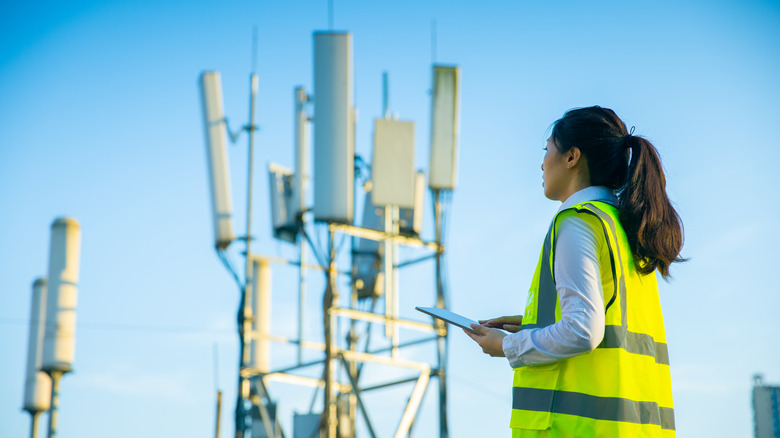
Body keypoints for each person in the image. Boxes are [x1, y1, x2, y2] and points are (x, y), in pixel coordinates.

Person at [465, 106, 684, 437]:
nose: (541, 163)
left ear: (572, 158)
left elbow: (584, 329)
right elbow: (608, 322)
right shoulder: (624, 228)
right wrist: (532, 327)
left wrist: (508, 347)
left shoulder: (578, 222)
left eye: (547, 150)